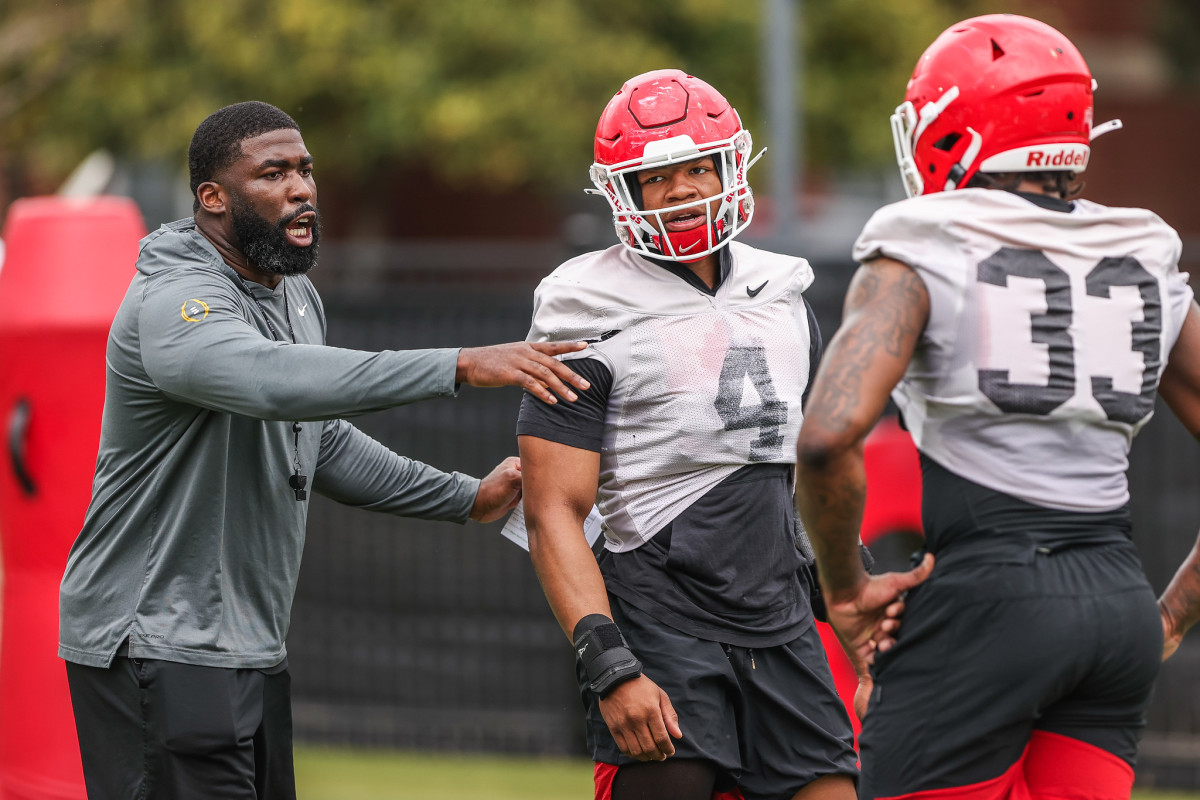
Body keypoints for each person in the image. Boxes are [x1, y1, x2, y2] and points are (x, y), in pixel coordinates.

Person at [57, 101, 590, 800]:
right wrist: (458, 363)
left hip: (246, 645)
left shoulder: (296, 295)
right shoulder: (174, 302)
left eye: (305, 169)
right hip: (153, 643)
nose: (302, 188)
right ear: (213, 199)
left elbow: (319, 437)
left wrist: (464, 496)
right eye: (272, 173)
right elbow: (271, 383)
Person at [795, 14, 1200, 800]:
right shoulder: (1144, 247)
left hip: (988, 598)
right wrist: (1174, 615)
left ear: (955, 130)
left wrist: (843, 591)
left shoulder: (926, 237)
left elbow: (825, 437)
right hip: (1116, 601)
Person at [517, 69, 881, 800]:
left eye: (697, 168)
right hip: (660, 617)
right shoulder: (583, 303)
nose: (682, 190)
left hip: (778, 617)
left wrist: (859, 621)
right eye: (657, 176)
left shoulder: (783, 291)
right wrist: (610, 663)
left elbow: (796, 481)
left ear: (731, 167)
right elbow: (551, 507)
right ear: (625, 191)